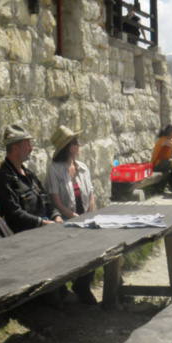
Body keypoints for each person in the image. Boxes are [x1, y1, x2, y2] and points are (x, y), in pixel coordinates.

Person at [44, 126, 98, 304]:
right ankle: (75, 286)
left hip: (85, 219)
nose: (79, 144)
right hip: (67, 220)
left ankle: (84, 284)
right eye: (75, 142)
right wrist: (77, 218)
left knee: (101, 242)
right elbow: (56, 202)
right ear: (66, 146)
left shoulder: (82, 167)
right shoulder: (54, 169)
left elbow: (90, 195)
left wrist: (90, 216)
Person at [0, 124, 58, 233]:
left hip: (45, 226)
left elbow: (46, 199)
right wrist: (43, 223)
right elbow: (14, 214)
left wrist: (56, 216)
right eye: (28, 145)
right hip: (28, 235)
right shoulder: (4, 178)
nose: (31, 149)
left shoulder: (28, 174)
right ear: (15, 148)